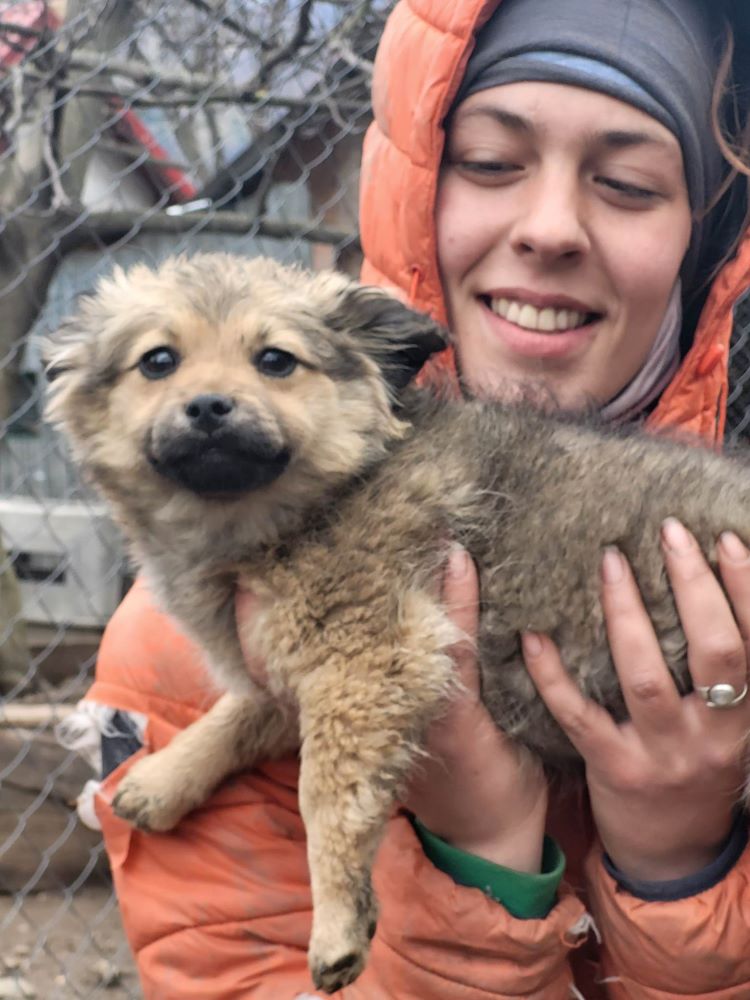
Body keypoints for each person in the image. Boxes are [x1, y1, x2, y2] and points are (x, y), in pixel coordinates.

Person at [80, 0, 750, 996]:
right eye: (489, 161)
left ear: (704, 237)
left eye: (624, 180)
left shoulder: (709, 540)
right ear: (412, 185)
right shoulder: (169, 670)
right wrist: (479, 847)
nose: (551, 229)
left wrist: (683, 854)